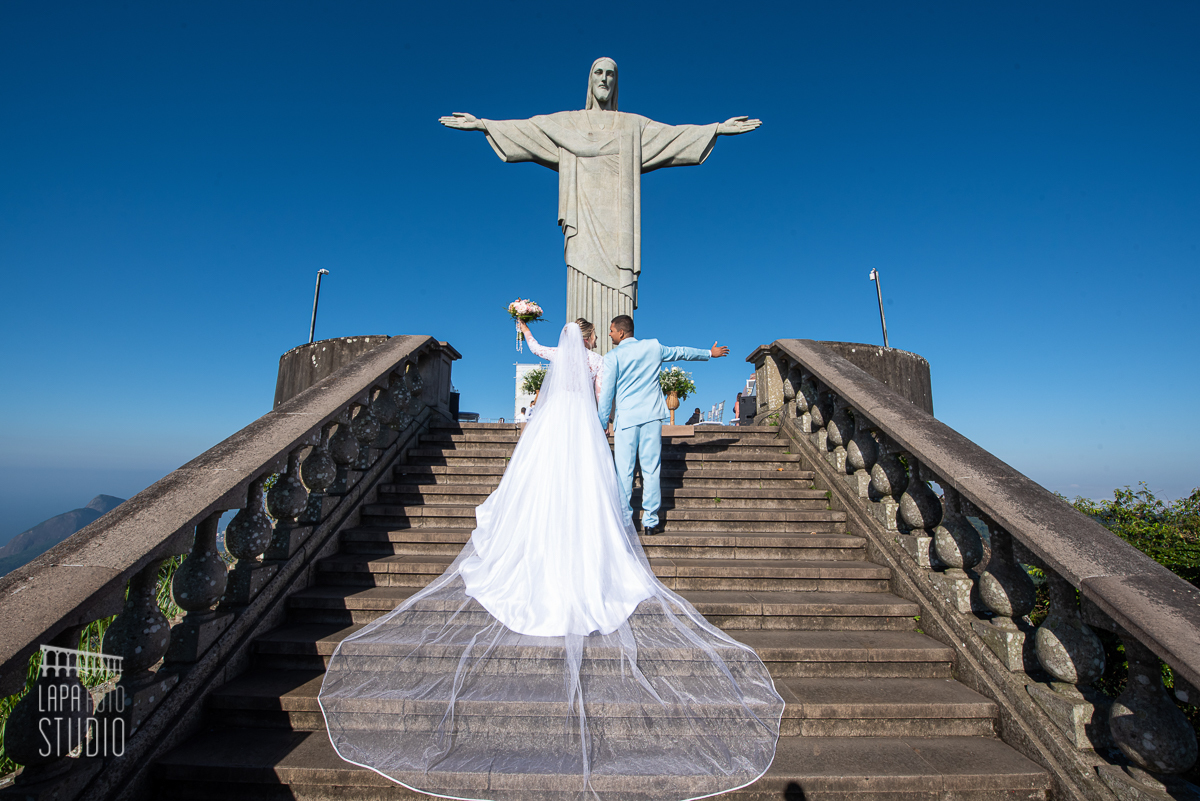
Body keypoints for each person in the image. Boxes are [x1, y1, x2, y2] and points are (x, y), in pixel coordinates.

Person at [318, 322, 783, 801]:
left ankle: (594, 517)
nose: (599, 340)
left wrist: (527, 334)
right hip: (611, 419)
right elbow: (628, 375)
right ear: (588, 340)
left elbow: (550, 355)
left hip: (576, 421)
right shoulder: (613, 357)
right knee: (622, 474)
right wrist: (698, 358)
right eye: (593, 336)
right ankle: (638, 518)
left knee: (578, 476)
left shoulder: (576, 361)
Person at [439, 58, 761, 355]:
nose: (604, 78)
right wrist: (483, 124)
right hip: (582, 223)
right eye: (598, 72)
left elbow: (673, 137)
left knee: (618, 291)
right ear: (589, 81)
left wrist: (716, 128)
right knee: (579, 286)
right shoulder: (568, 123)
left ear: (616, 83)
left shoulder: (632, 126)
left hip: (618, 231)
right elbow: (528, 129)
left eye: (610, 74)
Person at [597, 315, 729, 535]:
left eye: (611, 330)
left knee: (624, 473)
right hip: (651, 416)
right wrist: (709, 354)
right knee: (651, 469)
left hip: (627, 420)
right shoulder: (653, 347)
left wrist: (602, 424)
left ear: (621, 332)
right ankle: (650, 522)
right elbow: (681, 352)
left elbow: (607, 395)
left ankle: (624, 522)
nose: (609, 333)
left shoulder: (612, 357)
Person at [517, 317, 604, 400]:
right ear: (586, 339)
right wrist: (605, 415)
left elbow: (535, 348)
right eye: (594, 335)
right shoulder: (598, 359)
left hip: (559, 404)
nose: (596, 338)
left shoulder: (560, 353)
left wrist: (525, 330)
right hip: (583, 405)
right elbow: (599, 393)